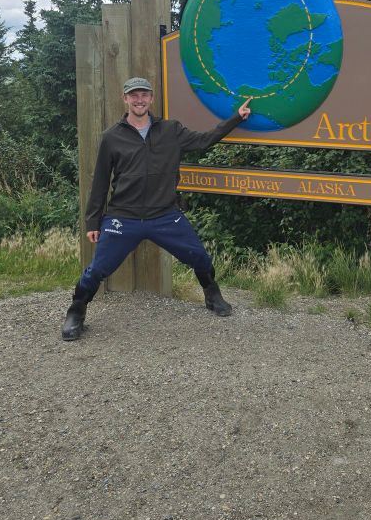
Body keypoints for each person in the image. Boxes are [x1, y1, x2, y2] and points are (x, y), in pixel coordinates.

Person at [62, 76, 252, 341]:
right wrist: (93, 222)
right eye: (134, 95)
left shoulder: (170, 130)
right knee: (97, 269)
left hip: (164, 215)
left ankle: (212, 293)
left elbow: (204, 141)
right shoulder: (111, 137)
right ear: (125, 99)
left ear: (151, 99)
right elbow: (101, 181)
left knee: (199, 256)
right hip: (123, 218)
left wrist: (237, 118)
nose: (139, 100)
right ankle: (76, 311)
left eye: (144, 95)